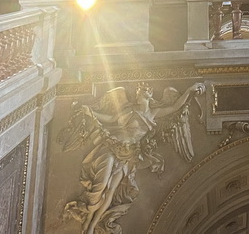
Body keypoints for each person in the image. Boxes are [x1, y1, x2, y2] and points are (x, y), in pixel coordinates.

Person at [60, 82, 204, 233]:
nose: (138, 94)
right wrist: (91, 112)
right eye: (138, 92)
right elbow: (109, 119)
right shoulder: (129, 109)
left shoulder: (153, 113)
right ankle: (88, 218)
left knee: (110, 191)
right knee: (101, 186)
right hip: (111, 147)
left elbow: (175, 107)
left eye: (142, 92)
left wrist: (189, 90)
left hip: (128, 156)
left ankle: (91, 225)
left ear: (148, 95)